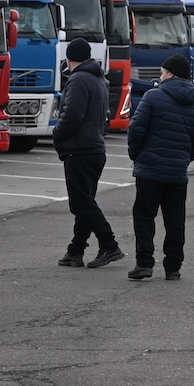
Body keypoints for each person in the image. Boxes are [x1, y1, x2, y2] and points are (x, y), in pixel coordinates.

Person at [125, 54, 194, 281]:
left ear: (170, 74)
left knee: (144, 215)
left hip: (149, 170)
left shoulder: (153, 97)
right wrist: (183, 159)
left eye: (162, 72)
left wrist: (137, 155)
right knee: (175, 220)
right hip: (177, 174)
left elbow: (136, 129)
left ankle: (144, 263)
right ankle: (173, 267)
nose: (160, 76)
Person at [53, 38, 123, 269]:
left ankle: (109, 244)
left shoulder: (78, 80)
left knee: (81, 202)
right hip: (95, 148)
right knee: (85, 200)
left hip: (79, 149)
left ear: (69, 58)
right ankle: (75, 250)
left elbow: (72, 115)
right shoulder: (98, 79)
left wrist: (57, 134)